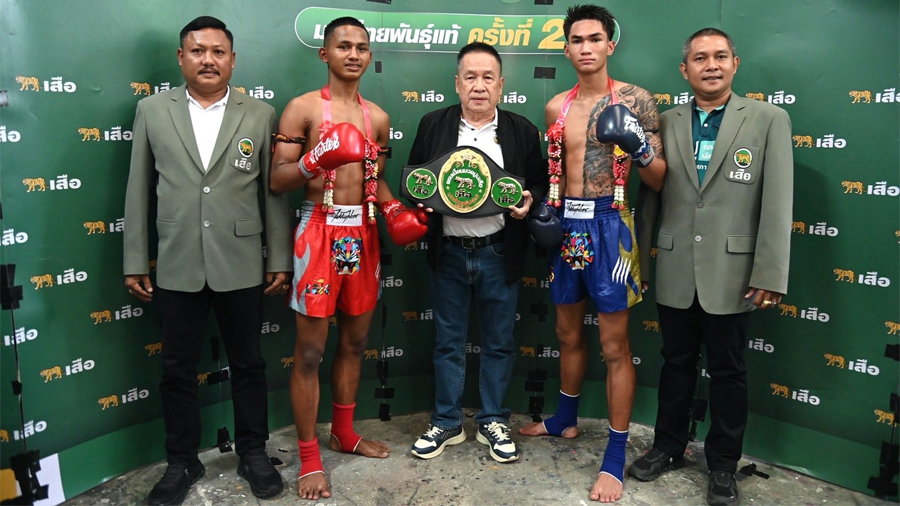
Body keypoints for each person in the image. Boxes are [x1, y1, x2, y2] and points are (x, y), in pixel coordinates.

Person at [123, 16, 290, 505]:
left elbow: (272, 193)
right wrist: (135, 259)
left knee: (249, 363)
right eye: (198, 51)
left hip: (241, 260)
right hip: (177, 261)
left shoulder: (260, 113)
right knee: (176, 368)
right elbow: (138, 189)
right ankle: (182, 461)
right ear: (181, 58)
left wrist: (278, 256)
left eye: (218, 52)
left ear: (233, 60)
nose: (208, 60)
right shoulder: (152, 110)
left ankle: (253, 453)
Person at [630, 28, 793, 506]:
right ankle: (667, 447)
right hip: (675, 267)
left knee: (728, 371)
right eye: (700, 58)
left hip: (734, 274)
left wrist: (769, 273)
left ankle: (723, 465)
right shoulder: (665, 121)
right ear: (685, 70)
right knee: (676, 364)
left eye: (721, 56)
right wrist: (640, 264)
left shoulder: (768, 119)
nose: (711, 65)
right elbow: (650, 198)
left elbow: (777, 201)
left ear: (735, 64)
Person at [269, 16, 428, 501]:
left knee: (356, 342)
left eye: (361, 47)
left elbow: (375, 181)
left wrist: (396, 210)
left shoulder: (376, 117)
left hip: (362, 232)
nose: (353, 54)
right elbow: (278, 179)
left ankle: (343, 433)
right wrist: (317, 158)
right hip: (318, 230)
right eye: (343, 46)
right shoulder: (301, 108)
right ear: (325, 54)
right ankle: (309, 457)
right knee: (310, 352)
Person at [518, 4, 667, 503]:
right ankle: (565, 418)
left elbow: (659, 177)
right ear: (567, 49)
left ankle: (614, 457)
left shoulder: (636, 100)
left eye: (595, 38)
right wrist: (544, 209)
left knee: (614, 345)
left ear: (610, 45)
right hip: (567, 225)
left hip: (611, 225)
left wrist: (638, 144)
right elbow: (555, 173)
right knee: (566, 332)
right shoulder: (555, 107)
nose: (586, 47)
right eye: (577, 40)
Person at [406, 42, 546, 464]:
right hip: (448, 251)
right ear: (457, 83)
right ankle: (447, 422)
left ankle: (493, 420)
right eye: (470, 77)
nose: (479, 86)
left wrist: (528, 201)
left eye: (488, 78)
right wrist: (421, 199)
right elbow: (413, 179)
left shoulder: (522, 130)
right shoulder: (433, 124)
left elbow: (538, 184)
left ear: (501, 85)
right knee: (448, 342)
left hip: (498, 252)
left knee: (499, 343)